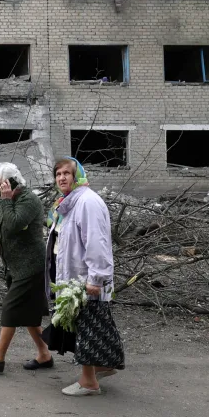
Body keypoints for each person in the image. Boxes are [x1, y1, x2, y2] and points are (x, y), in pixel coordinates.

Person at [46, 157, 125, 396]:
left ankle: (89, 382)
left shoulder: (87, 202)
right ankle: (104, 364)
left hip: (85, 279)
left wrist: (96, 278)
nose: (61, 177)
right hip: (74, 277)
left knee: (87, 329)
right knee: (95, 326)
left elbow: (97, 243)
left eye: (66, 173)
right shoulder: (69, 203)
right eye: (58, 173)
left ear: (78, 175)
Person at [0, 162, 52, 373]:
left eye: (1, 184)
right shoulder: (9, 200)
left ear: (13, 181)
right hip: (16, 266)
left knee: (10, 308)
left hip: (30, 265)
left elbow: (14, 224)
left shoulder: (29, 200)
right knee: (27, 313)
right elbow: (3, 227)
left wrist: (5, 201)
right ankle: (44, 354)